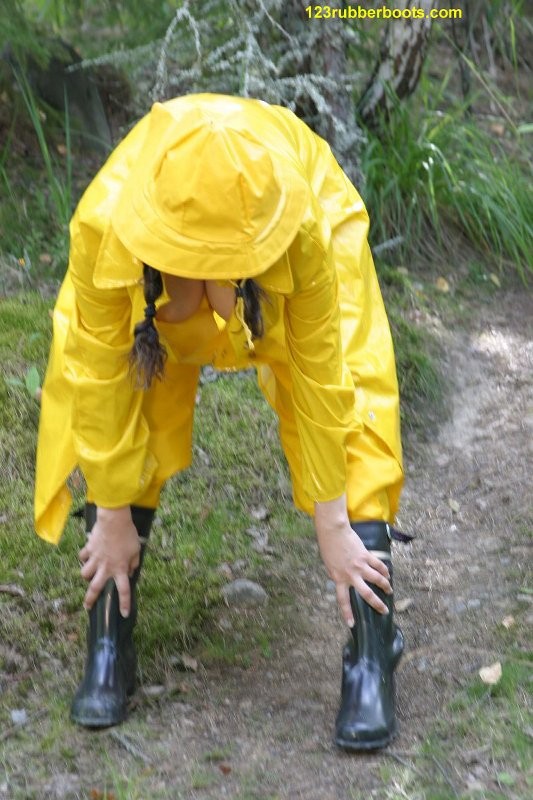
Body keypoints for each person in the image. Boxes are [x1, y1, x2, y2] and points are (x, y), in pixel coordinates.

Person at [34, 93, 406, 750]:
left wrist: (332, 521)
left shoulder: (304, 229)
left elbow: (324, 382)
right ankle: (108, 644)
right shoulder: (106, 225)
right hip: (142, 305)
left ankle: (370, 652)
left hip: (300, 242)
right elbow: (97, 380)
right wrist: (113, 512)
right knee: (127, 405)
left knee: (360, 407)